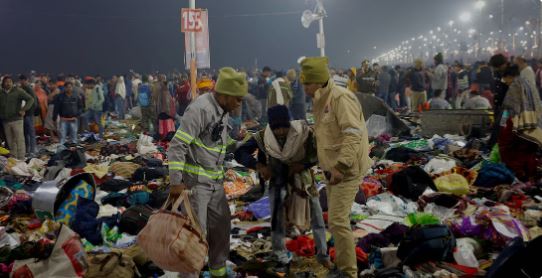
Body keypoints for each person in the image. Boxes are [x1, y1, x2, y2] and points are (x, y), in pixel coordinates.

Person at [167, 67, 247, 278]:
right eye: (237, 99)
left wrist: (240, 143)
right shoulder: (200, 109)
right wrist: (176, 183)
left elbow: (218, 144)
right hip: (196, 186)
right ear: (225, 94)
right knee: (195, 237)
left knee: (221, 231)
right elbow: (177, 146)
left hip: (215, 183)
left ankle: (217, 271)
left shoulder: (222, 111)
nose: (239, 104)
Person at [235, 105, 332, 271]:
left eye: (283, 127)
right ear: (270, 127)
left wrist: (302, 165)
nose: (280, 131)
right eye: (276, 128)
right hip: (278, 182)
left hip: (304, 183)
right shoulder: (262, 136)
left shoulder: (303, 133)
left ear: (289, 124)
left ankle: (323, 255)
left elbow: (320, 152)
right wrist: (259, 165)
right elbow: (240, 152)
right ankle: (280, 255)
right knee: (277, 221)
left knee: (316, 218)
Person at [300, 57, 371, 278]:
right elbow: (327, 134)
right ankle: (342, 266)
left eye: (307, 83)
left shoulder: (341, 98)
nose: (304, 88)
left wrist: (340, 166)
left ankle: (348, 273)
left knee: (338, 221)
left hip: (346, 169)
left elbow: (353, 134)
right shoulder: (321, 99)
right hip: (333, 170)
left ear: (319, 82)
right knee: (336, 220)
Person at [498, 65, 542, 181]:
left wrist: (502, 125)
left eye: (506, 81)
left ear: (509, 77)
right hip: (531, 136)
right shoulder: (529, 85)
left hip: (516, 156)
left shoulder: (516, 86)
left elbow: (507, 113)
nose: (506, 84)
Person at [0, 76, 34, 160]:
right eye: (6, 82)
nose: (8, 83)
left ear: (12, 83)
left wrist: (24, 109)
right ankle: (14, 158)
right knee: (10, 141)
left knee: (19, 140)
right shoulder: (1, 93)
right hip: (6, 121)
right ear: (3, 83)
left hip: (17, 119)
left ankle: (21, 158)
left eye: (10, 81)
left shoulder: (18, 91)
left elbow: (30, 99)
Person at [53, 82, 83, 148]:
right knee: (62, 137)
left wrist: (77, 116)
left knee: (74, 137)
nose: (69, 88)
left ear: (72, 87)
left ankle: (74, 153)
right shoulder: (60, 96)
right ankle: (62, 151)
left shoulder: (76, 96)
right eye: (67, 87)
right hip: (64, 119)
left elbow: (81, 107)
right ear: (65, 88)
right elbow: (56, 108)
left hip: (74, 119)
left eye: (70, 87)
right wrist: (54, 118)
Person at [18, 75, 39, 156]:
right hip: (24, 114)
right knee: (25, 132)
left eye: (23, 80)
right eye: (21, 80)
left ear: (26, 80)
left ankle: (33, 150)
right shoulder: (22, 88)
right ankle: (27, 149)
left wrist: (29, 111)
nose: (22, 82)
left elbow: (33, 102)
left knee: (31, 132)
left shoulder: (29, 89)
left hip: (28, 114)